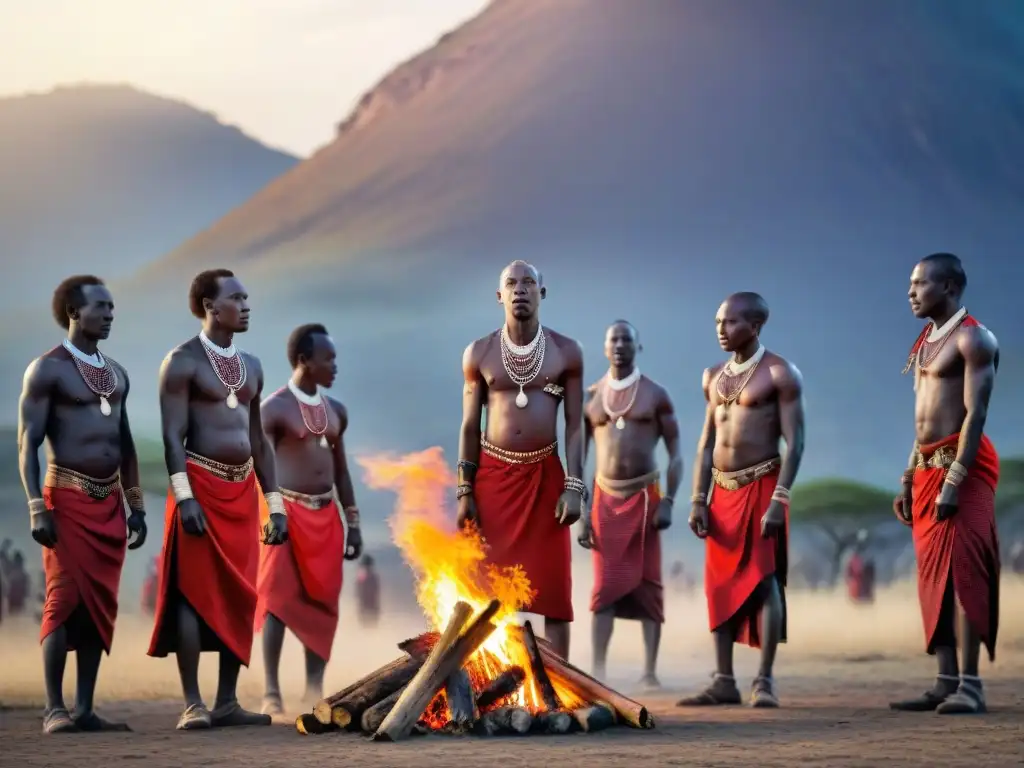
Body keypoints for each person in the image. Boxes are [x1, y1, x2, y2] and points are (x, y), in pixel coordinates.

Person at [147, 268, 288, 730]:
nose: (246, 305)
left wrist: (275, 502)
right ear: (210, 306)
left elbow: (258, 440)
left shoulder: (252, 365)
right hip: (198, 486)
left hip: (241, 492)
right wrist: (184, 497)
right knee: (191, 594)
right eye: (236, 298)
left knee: (239, 592)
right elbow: (172, 438)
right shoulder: (181, 362)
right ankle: (193, 703)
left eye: (247, 297)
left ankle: (226, 702)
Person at [17, 275, 147, 733]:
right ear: (74, 312)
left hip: (109, 502)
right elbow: (27, 444)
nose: (110, 314)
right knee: (64, 596)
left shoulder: (118, 374)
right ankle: (55, 708)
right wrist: (37, 506)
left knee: (99, 604)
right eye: (101, 307)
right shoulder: (46, 370)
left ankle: (85, 708)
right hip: (65, 499)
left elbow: (126, 445)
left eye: (113, 307)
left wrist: (137, 506)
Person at [678, 292, 805, 708]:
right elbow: (705, 443)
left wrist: (779, 501)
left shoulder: (780, 373)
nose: (721, 329)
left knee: (764, 580)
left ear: (754, 327)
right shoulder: (711, 376)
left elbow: (796, 442)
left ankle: (764, 681)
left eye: (730, 323)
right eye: (717, 322)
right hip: (721, 492)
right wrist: (698, 498)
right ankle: (723, 681)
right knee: (718, 585)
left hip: (762, 485)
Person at [456, 260, 585, 658]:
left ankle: (562, 685)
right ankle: (488, 677)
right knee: (486, 590)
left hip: (546, 478)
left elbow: (576, 425)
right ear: (500, 296)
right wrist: (465, 490)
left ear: (542, 293)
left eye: (529, 282)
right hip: (492, 479)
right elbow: (468, 427)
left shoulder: (567, 352)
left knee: (554, 590)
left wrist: (574, 486)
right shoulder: (479, 352)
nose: (520, 289)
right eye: (511, 283)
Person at [890, 253, 1001, 715]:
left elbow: (975, 414)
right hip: (927, 469)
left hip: (965, 468)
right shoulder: (926, 342)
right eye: (910, 284)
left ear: (950, 287)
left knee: (965, 573)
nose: (911, 292)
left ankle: (971, 686)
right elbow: (924, 422)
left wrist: (953, 481)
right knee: (933, 576)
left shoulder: (974, 338)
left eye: (920, 284)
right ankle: (945, 680)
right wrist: (909, 475)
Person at [255, 323, 362, 714]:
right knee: (276, 599)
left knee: (323, 602)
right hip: (285, 514)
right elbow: (261, 465)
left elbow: (342, 470)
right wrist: (273, 513)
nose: (335, 367)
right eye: (328, 359)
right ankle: (271, 691)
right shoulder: (273, 408)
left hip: (326, 517)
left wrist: (353, 522)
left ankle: (313, 689)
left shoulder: (337, 412)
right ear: (304, 360)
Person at [579, 320, 682, 687]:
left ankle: (650, 671)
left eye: (627, 339)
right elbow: (578, 457)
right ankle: (599, 671)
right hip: (604, 500)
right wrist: (581, 511)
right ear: (605, 348)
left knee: (648, 584)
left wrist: (669, 500)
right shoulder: (591, 397)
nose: (620, 345)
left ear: (639, 347)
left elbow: (676, 455)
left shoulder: (656, 395)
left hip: (646, 497)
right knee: (604, 587)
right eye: (614, 340)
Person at [845, 530, 876, 605]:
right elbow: (849, 572)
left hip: (863, 584)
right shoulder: (853, 555)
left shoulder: (868, 554)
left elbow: (872, 572)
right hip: (858, 584)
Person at [356, 554, 381, 628]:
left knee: (369, 626)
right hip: (368, 606)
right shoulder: (370, 577)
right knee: (369, 626)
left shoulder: (364, 577)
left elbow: (359, 592)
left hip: (369, 606)